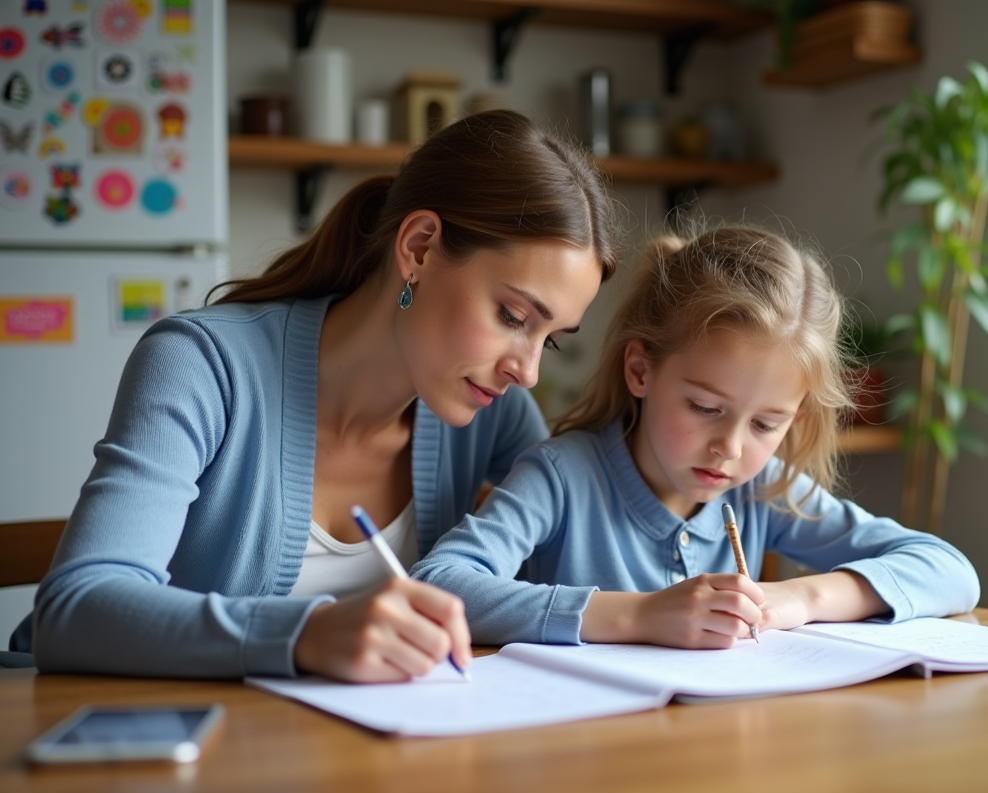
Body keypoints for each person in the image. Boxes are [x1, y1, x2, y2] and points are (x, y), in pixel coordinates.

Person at [17, 110, 619, 679]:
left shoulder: (496, 408)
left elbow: (578, 557)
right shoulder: (204, 365)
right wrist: (309, 632)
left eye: (552, 340)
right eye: (513, 316)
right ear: (419, 248)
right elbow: (76, 611)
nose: (529, 371)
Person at [411, 227, 980, 647]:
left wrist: (800, 599)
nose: (730, 448)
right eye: (705, 407)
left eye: (765, 424)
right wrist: (638, 616)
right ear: (641, 371)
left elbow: (948, 570)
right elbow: (441, 584)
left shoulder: (765, 490)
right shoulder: (563, 477)